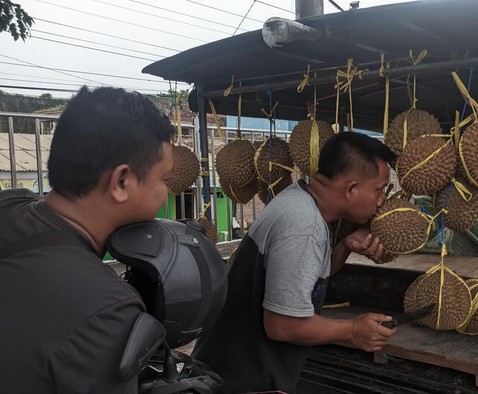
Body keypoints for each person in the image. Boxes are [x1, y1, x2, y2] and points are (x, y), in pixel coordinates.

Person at [193, 131, 398, 393]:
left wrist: (345, 247)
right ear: (351, 188)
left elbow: (306, 276)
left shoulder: (299, 202)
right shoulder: (303, 224)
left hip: (232, 370)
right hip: (238, 381)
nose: (382, 201)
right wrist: (352, 330)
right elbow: (282, 325)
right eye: (379, 190)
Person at [0, 86, 174, 393]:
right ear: (121, 182)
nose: (167, 193)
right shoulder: (107, 313)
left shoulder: (8, 206)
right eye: (165, 179)